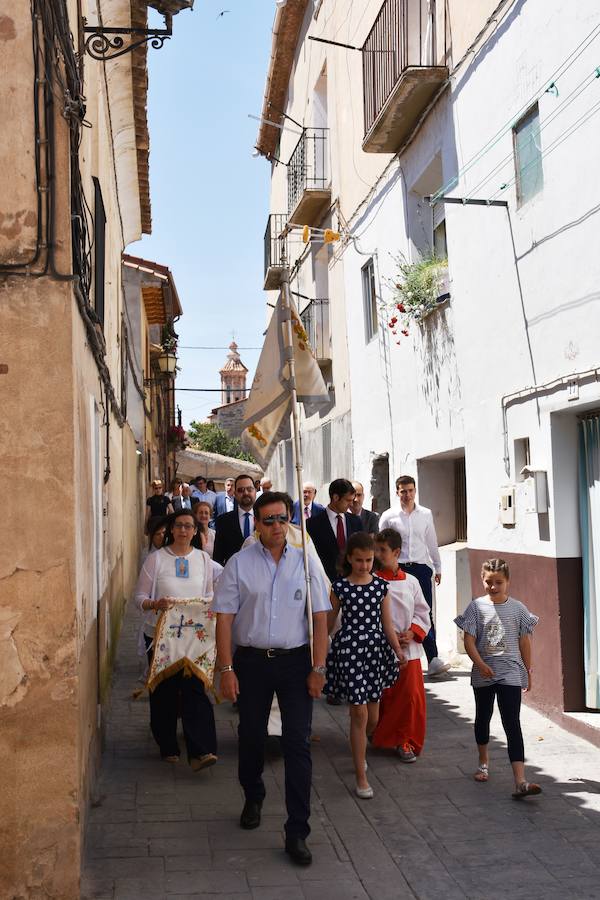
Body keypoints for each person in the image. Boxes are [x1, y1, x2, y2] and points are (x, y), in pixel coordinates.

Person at [213, 491, 331, 866]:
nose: (277, 527)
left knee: (297, 745)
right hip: (251, 663)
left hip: (296, 663)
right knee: (251, 736)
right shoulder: (239, 563)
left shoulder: (306, 563)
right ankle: (253, 792)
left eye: (283, 519)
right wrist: (227, 669)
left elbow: (320, 619)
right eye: (269, 520)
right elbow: (225, 618)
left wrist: (319, 667)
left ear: (291, 520)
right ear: (258, 524)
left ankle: (297, 830)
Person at [134, 508, 219, 771]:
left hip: (194, 638)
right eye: (179, 525)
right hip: (162, 637)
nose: (183, 530)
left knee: (196, 691)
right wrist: (155, 603)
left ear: (196, 531)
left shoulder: (204, 560)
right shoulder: (156, 560)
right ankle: (167, 743)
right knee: (165, 693)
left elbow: (209, 594)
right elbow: (139, 599)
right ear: (171, 529)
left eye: (189, 526)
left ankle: (200, 750)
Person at [324, 532, 404, 799]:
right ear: (349, 559)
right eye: (359, 560)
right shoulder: (340, 587)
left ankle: (360, 750)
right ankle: (361, 776)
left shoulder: (381, 587)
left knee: (373, 718)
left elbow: (387, 624)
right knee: (359, 715)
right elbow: (328, 622)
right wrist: (318, 651)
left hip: (375, 652)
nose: (364, 565)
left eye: (369, 560)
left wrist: (397, 650)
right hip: (350, 651)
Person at [454, 558, 541, 799]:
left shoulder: (518, 609)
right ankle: (483, 761)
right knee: (483, 717)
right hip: (483, 673)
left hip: (510, 672)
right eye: (488, 582)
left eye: (498, 582)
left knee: (512, 723)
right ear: (482, 580)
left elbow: (525, 640)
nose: (493, 587)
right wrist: (480, 664)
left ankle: (520, 781)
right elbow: (468, 640)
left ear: (508, 582)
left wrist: (528, 671)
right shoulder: (476, 607)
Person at [378, 475, 450, 677]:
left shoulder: (425, 514)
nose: (407, 495)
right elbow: (381, 546)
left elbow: (431, 540)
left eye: (410, 490)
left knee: (425, 612)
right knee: (398, 612)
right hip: (397, 569)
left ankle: (433, 659)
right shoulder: (388, 516)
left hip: (420, 568)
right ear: (397, 492)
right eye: (403, 491)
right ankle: (396, 652)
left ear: (415, 490)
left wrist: (437, 567)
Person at [371, 529, 430, 762]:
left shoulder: (412, 582)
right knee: (385, 696)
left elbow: (423, 612)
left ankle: (405, 741)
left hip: (409, 649)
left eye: (382, 550)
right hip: (380, 648)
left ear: (396, 552)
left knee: (409, 699)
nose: (377, 554)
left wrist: (412, 632)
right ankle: (380, 734)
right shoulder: (373, 581)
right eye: (376, 549)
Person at [306, 478, 364, 582]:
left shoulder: (356, 522)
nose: (351, 504)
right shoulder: (312, 525)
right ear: (335, 497)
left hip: (353, 582)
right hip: (324, 582)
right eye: (348, 500)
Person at [213, 474, 257, 565]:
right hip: (233, 575)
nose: (245, 493)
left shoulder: (265, 519)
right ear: (235, 494)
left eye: (249, 489)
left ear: (255, 491)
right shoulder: (223, 521)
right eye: (241, 490)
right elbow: (218, 557)